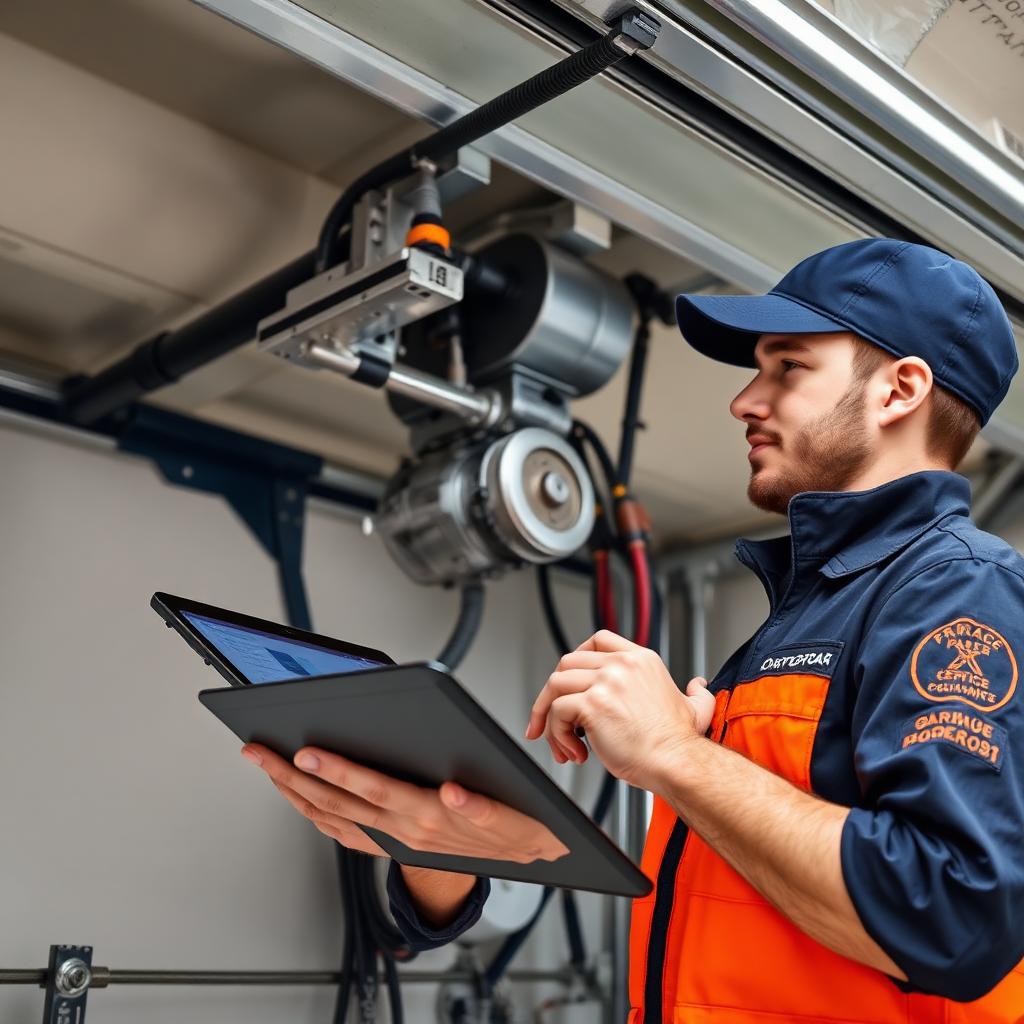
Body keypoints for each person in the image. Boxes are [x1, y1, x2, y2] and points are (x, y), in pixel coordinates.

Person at [241, 238, 1024, 1020]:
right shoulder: (809, 610)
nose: (745, 400)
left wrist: (678, 756)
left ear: (900, 390)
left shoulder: (960, 589)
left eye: (787, 367)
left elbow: (953, 918)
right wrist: (454, 840)